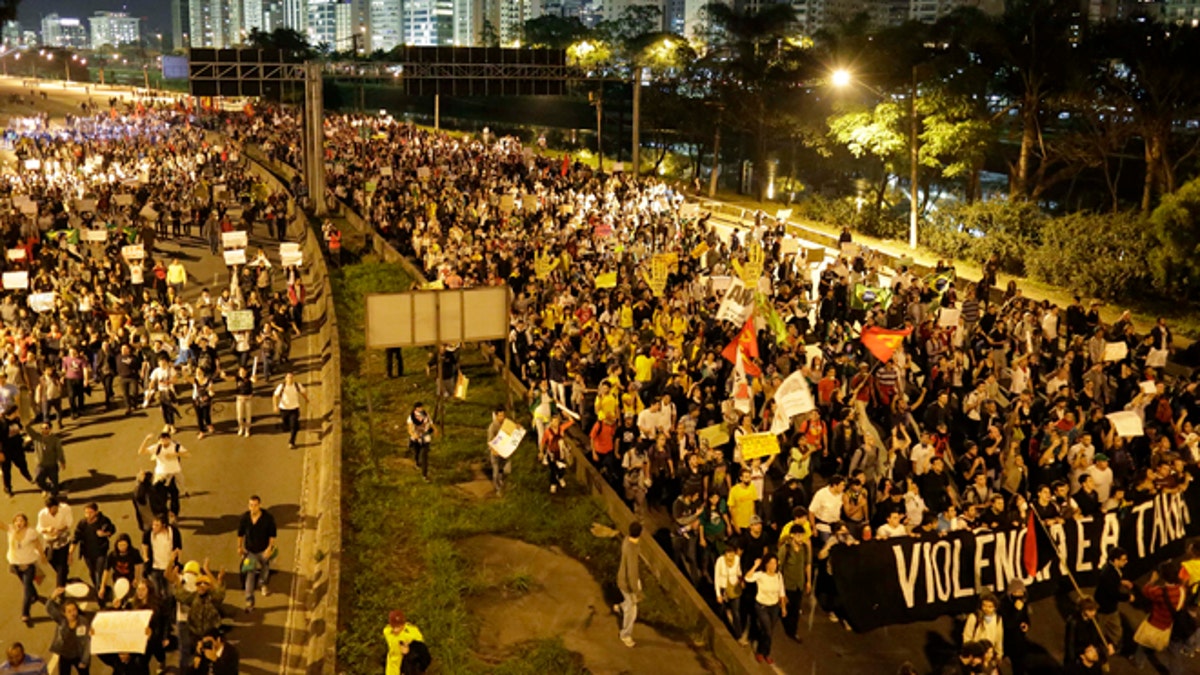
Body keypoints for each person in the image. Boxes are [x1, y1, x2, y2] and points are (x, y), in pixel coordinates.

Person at [2, 513, 46, 623]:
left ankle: (25, 613)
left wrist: (42, 556)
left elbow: (38, 544)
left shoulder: (31, 532)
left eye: (21, 521)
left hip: (28, 564)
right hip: (15, 564)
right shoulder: (11, 530)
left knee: (26, 589)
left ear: (25, 522)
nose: (19, 523)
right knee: (27, 584)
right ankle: (35, 596)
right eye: (17, 521)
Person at [744, 554, 787, 664]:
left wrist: (783, 607)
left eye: (775, 563)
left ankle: (766, 653)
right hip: (762, 606)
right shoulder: (761, 575)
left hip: (774, 607)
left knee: (768, 632)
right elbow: (747, 578)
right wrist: (755, 566)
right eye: (771, 563)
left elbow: (781, 592)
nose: (773, 566)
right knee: (767, 630)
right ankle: (760, 652)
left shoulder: (778, 576)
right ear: (766, 564)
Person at [237, 494, 277, 612]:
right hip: (250, 551)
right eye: (251, 505)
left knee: (265, 566)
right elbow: (240, 534)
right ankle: (249, 600)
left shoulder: (268, 518)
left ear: (259, 505)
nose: (253, 508)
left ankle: (263, 583)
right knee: (250, 573)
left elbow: (272, 535)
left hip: (263, 549)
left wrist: (269, 548)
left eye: (255, 505)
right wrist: (239, 547)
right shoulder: (245, 518)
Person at [1094, 546, 1132, 650]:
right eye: (1123, 560)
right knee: (1100, 631)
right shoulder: (1109, 574)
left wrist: (1121, 582)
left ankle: (1110, 646)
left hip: (1108, 607)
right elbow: (1113, 593)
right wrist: (1128, 597)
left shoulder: (1112, 570)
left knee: (1115, 630)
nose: (1126, 562)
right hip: (1105, 608)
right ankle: (1102, 650)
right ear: (1115, 560)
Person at [46, 587, 92, 674]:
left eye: (74, 610)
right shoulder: (62, 620)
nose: (72, 613)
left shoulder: (83, 622)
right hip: (64, 656)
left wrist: (85, 661)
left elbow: (86, 643)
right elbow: (49, 609)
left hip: (78, 655)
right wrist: (53, 596)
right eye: (69, 611)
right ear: (64, 613)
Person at [71, 502, 115, 591]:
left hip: (100, 552)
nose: (88, 515)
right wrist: (70, 553)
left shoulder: (103, 521)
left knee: (99, 572)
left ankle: (100, 590)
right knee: (92, 572)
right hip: (87, 554)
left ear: (96, 512)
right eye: (86, 512)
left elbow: (112, 529)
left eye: (90, 512)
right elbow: (76, 538)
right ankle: (98, 587)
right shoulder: (82, 523)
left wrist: (104, 534)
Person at [777, 527, 810, 641]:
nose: (801, 538)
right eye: (798, 535)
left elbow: (807, 565)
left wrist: (808, 581)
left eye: (802, 535)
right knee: (784, 607)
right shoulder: (785, 549)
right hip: (787, 584)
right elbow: (779, 568)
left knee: (795, 610)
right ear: (792, 535)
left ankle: (792, 631)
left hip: (799, 584)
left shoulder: (804, 549)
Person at [614, 521, 643, 647]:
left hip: (622, 578)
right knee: (632, 611)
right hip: (627, 583)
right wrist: (636, 592)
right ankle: (625, 634)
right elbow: (632, 573)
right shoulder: (632, 549)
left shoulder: (627, 541)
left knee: (628, 603)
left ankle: (620, 607)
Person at [37, 495, 74, 588]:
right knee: (50, 559)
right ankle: (63, 574)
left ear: (57, 506)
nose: (50, 511)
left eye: (52, 508)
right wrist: (47, 529)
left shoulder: (65, 509)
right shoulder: (42, 514)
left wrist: (59, 530)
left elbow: (69, 523)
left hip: (62, 539)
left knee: (61, 564)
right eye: (48, 509)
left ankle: (60, 588)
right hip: (49, 540)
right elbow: (39, 528)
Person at [142, 513, 183, 596]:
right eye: (153, 524)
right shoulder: (149, 533)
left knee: (169, 593)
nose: (154, 527)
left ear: (163, 525)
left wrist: (178, 563)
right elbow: (144, 545)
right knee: (155, 592)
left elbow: (178, 549)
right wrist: (146, 559)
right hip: (155, 567)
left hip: (169, 567)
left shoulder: (173, 532)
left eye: (157, 525)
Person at [384, 610, 430, 675]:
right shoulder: (387, 631)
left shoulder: (412, 632)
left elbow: (422, 650)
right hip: (392, 669)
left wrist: (410, 650)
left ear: (403, 624)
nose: (395, 630)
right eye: (393, 626)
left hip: (407, 668)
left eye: (398, 626)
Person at [962, 593, 1005, 662]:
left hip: (989, 655)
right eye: (984, 605)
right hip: (976, 655)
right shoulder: (974, 617)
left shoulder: (997, 619)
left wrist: (999, 654)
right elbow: (967, 636)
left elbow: (998, 638)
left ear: (995, 608)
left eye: (990, 607)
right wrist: (970, 655)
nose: (986, 609)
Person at [28, 422, 66, 495]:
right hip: (41, 465)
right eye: (42, 428)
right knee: (38, 480)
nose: (44, 430)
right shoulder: (37, 438)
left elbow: (59, 451)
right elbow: (28, 429)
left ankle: (54, 495)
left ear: (50, 429)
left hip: (52, 465)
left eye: (46, 428)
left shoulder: (55, 440)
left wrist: (62, 461)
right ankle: (47, 488)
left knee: (55, 483)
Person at [273, 371, 308, 449]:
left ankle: (291, 441)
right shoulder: (282, 386)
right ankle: (285, 426)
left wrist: (306, 399)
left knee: (293, 426)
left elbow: (303, 392)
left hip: (294, 409)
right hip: (284, 409)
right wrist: (275, 406)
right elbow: (275, 396)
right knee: (286, 423)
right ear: (285, 378)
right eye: (288, 377)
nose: (290, 379)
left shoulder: (297, 385)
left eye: (291, 377)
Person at [487, 407, 511, 496]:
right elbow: (490, 441)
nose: (501, 417)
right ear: (496, 416)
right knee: (495, 471)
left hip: (504, 451)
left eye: (503, 415)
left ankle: (501, 479)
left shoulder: (506, 424)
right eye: (500, 415)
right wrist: (493, 449)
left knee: (506, 469)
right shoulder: (492, 427)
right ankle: (498, 488)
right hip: (495, 452)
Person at [406, 402, 433, 481]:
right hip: (416, 439)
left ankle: (424, 475)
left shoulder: (425, 415)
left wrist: (434, 429)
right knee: (417, 452)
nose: (421, 409)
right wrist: (414, 435)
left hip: (425, 438)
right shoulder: (411, 417)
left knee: (424, 456)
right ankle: (417, 462)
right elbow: (410, 428)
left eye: (421, 407)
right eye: (419, 407)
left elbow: (430, 423)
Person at [234, 365, 256, 437]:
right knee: (239, 417)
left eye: (243, 371)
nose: (242, 373)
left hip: (248, 399)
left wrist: (254, 378)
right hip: (239, 399)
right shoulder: (238, 378)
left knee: (248, 416)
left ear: (246, 372)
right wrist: (224, 376)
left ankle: (247, 429)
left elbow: (254, 380)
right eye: (240, 371)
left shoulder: (249, 378)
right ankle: (241, 427)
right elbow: (230, 378)